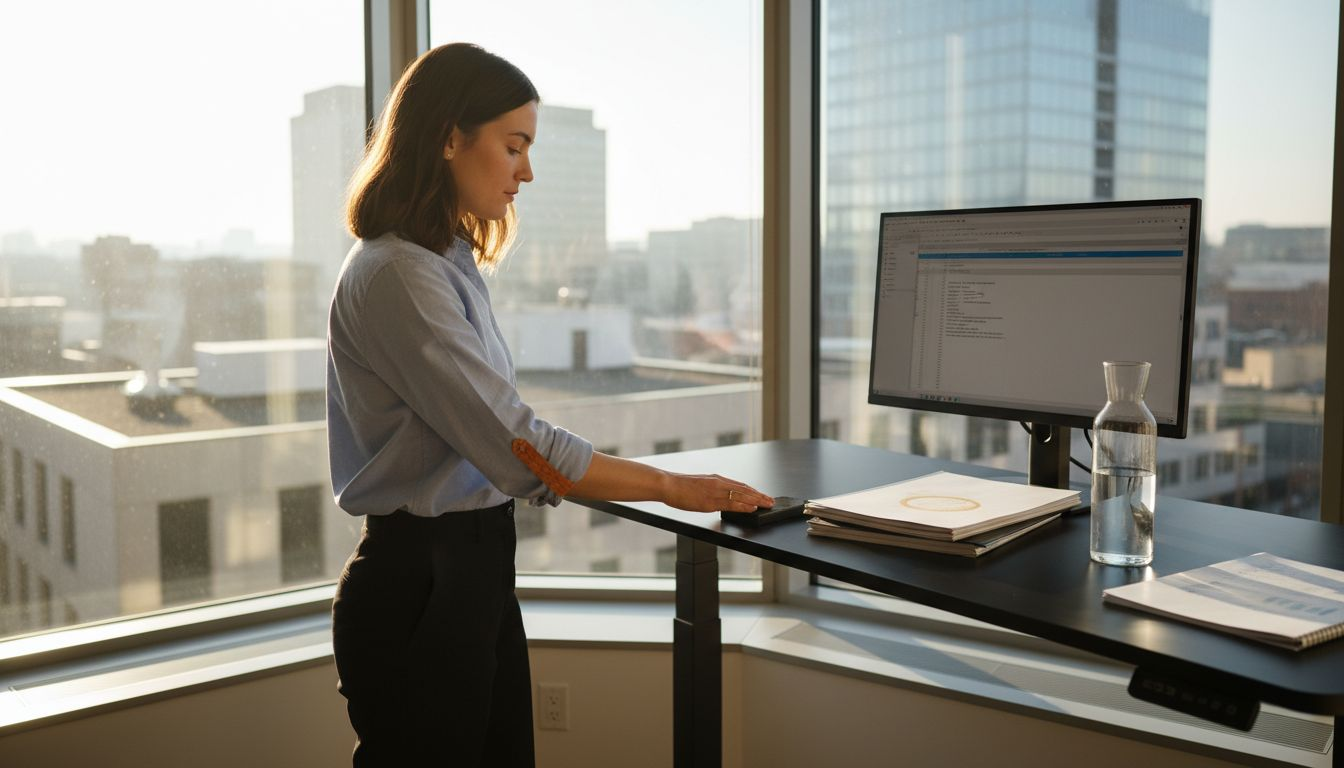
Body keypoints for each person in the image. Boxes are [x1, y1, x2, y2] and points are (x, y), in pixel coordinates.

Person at [326, 42, 774, 767]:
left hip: (470, 571)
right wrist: (668, 487)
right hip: (423, 586)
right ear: (448, 137)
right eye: (513, 147)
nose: (525, 172)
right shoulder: (399, 275)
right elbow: (513, 443)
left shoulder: (443, 262)